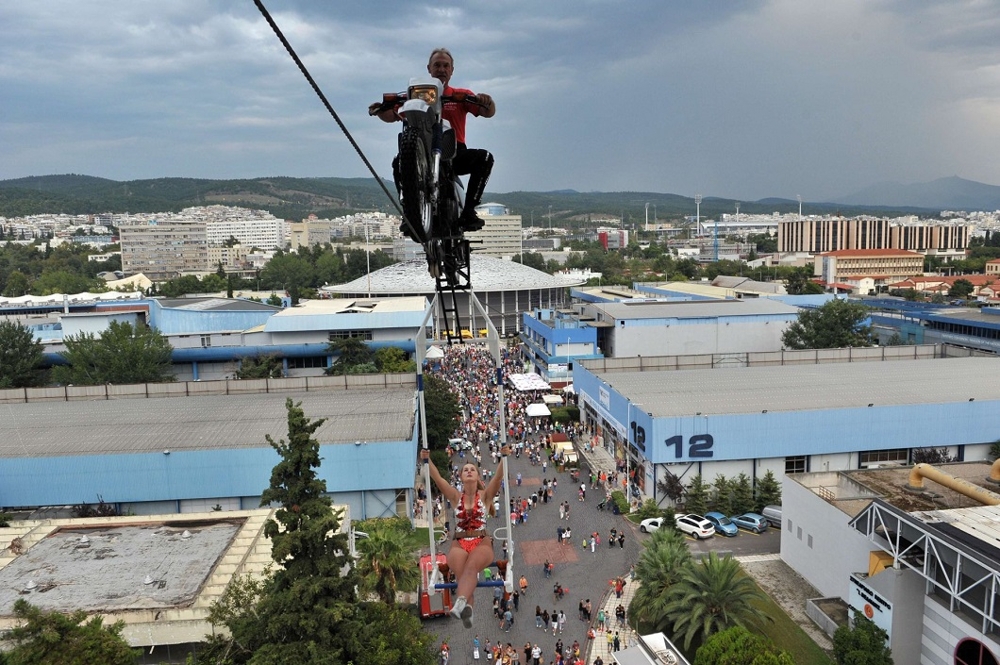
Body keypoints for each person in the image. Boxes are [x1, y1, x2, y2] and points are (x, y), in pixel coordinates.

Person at [372, 47, 496, 237]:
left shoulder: (460, 94)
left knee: (485, 158)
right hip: (422, 151)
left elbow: (487, 111)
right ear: (429, 68)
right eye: (437, 65)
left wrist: (486, 101)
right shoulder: (416, 94)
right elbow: (392, 114)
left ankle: (469, 210)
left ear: (452, 70)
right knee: (399, 163)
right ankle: (410, 212)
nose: (441, 69)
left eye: (446, 66)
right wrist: (381, 110)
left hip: (453, 151)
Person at [422, 445, 510, 628]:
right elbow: (437, 478)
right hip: (459, 542)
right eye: (465, 470)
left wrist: (503, 456)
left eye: (472, 470)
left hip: (481, 541)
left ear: (477, 476)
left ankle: (461, 602)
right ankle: (468, 609)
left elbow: (498, 477)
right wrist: (426, 460)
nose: (469, 471)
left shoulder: (485, 496)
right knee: (462, 573)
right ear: (461, 477)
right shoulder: (455, 497)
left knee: (471, 568)